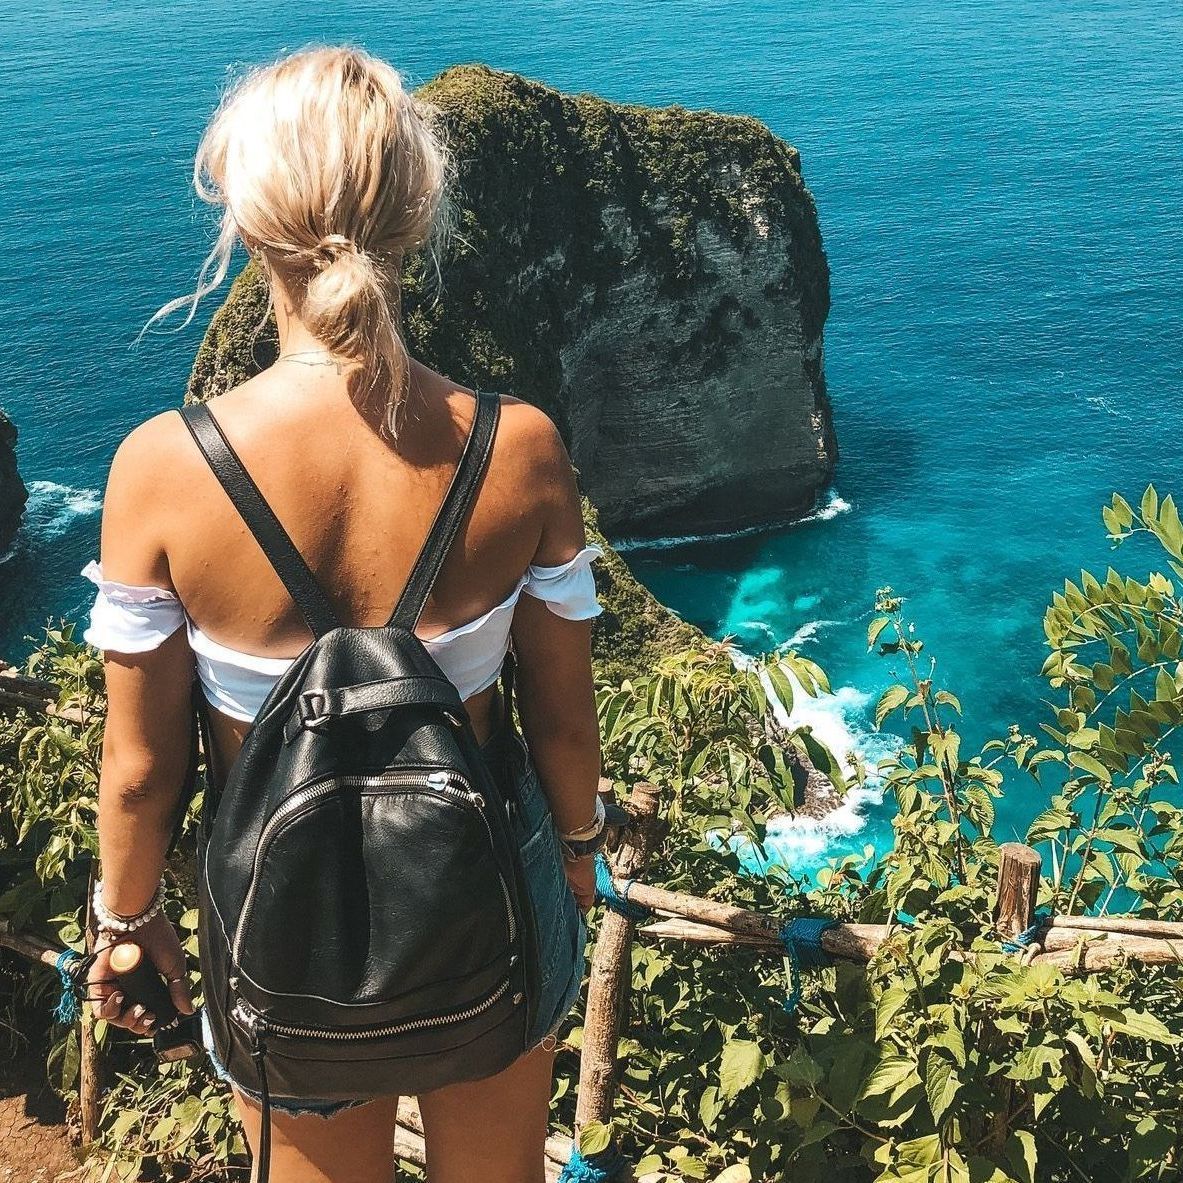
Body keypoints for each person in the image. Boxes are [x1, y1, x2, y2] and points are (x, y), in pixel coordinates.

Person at [82, 45, 604, 1183]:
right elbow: (563, 722)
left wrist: (124, 919)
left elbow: (138, 769)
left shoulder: (163, 469)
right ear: (418, 214)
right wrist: (574, 852)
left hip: (279, 903)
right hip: (489, 880)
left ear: (243, 212)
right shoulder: (517, 448)